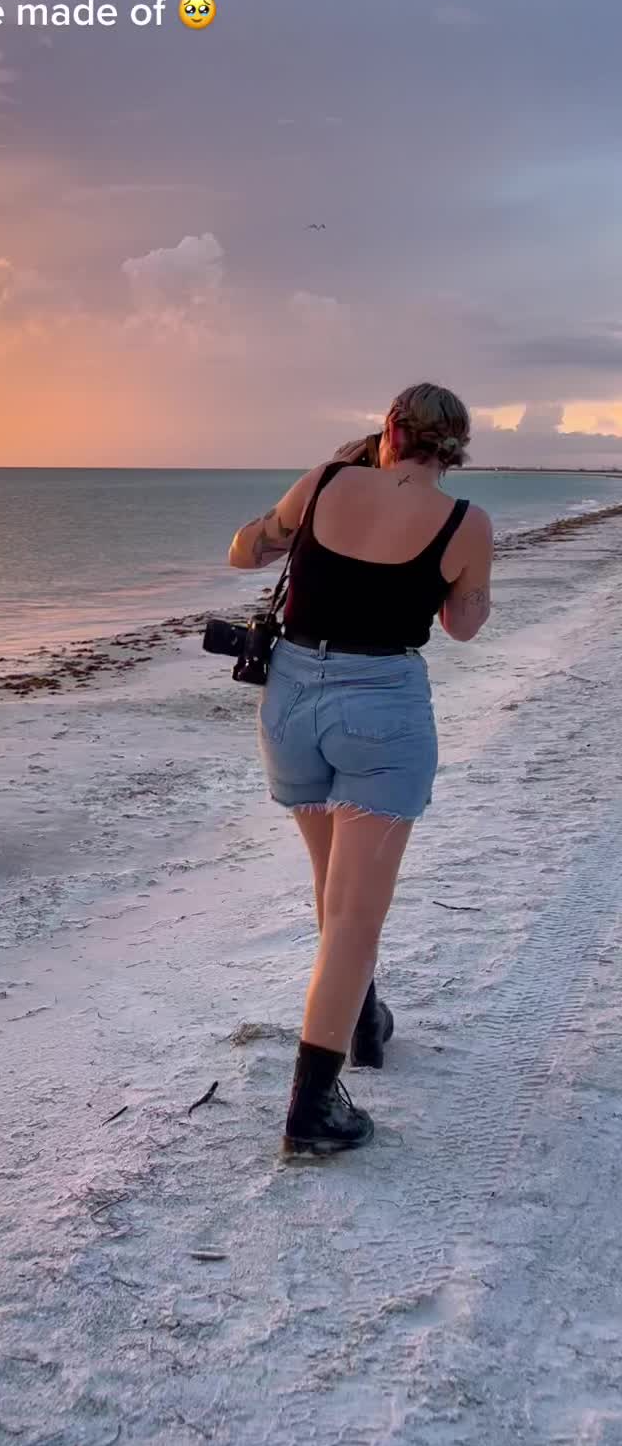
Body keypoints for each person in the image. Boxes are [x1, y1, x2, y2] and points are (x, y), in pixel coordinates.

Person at [228, 383, 492, 1156]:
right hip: (380, 706)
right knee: (354, 913)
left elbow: (249, 549)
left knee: (333, 886)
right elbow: (463, 624)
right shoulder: (465, 521)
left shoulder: (326, 481)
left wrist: (275, 534)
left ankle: (363, 1019)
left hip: (291, 700)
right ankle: (313, 1108)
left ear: (390, 430)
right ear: (455, 448)